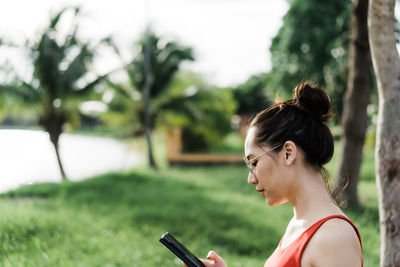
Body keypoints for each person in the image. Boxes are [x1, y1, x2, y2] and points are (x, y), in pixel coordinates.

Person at [185, 81, 363, 267]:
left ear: (288, 153)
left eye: (254, 162)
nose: (251, 179)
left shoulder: (333, 237)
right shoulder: (300, 225)